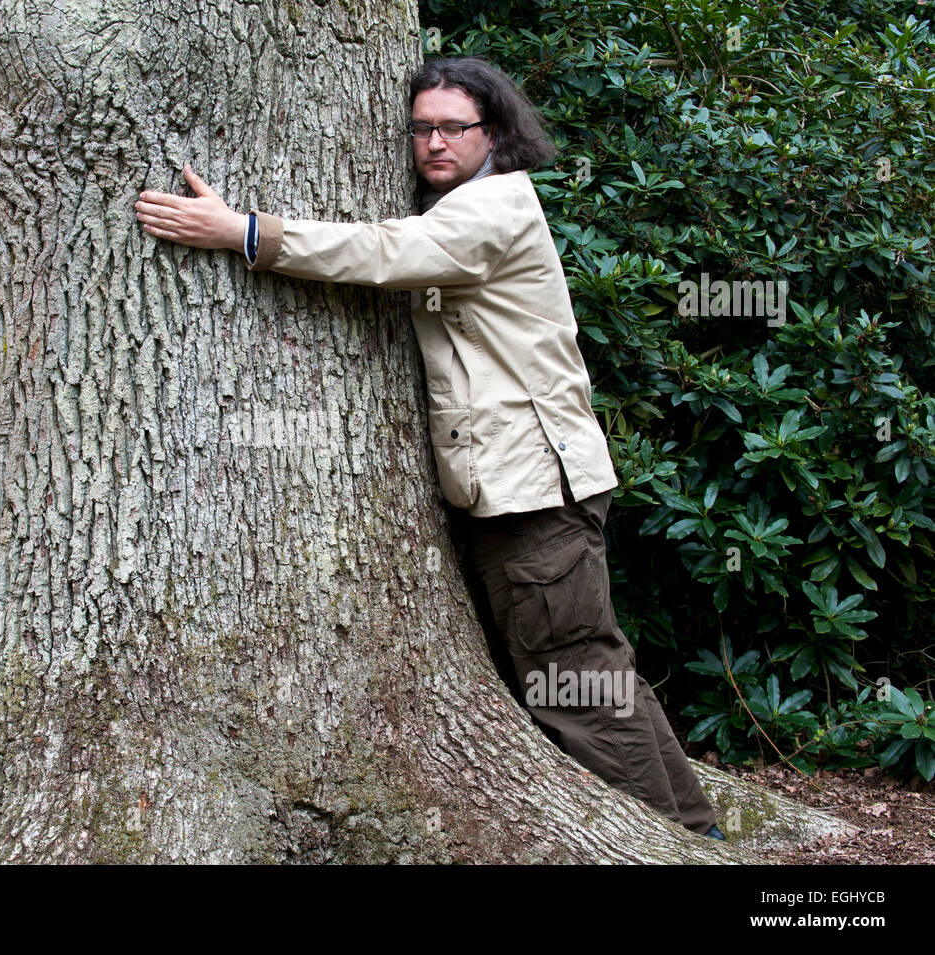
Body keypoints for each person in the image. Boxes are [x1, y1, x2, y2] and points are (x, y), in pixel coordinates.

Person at [134, 56, 723, 840]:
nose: (434, 141)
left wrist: (246, 232)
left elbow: (388, 253)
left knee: (573, 682)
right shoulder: (466, 205)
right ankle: (693, 835)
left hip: (533, 493)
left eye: (454, 126)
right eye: (421, 127)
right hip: (523, 486)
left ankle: (673, 845)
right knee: (593, 670)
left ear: (495, 132)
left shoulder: (495, 205)